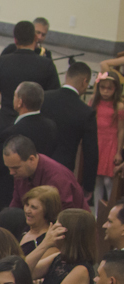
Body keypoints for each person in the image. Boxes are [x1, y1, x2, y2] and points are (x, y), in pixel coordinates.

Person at [0, 84, 60, 222]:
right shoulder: (51, 126)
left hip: (7, 195)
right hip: (39, 194)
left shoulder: (12, 132)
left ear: (20, 102)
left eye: (15, 96)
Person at [0, 20, 61, 135]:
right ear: (35, 37)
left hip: (5, 124)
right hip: (35, 129)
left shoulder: (1, 62)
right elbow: (54, 99)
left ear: (15, 39)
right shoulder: (46, 65)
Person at [42, 61, 99, 196]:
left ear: (66, 76)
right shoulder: (86, 112)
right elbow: (91, 152)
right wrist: (88, 186)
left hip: (37, 165)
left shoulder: (44, 98)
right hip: (63, 170)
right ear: (85, 81)